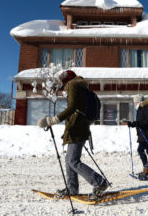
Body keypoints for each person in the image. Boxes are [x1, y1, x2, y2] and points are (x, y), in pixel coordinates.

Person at [37, 70, 108, 199]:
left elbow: (72, 107)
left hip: (77, 128)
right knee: (69, 160)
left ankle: (100, 183)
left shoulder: (73, 86)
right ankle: (72, 188)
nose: (62, 86)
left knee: (73, 160)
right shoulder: (81, 88)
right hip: (77, 127)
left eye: (61, 82)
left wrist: (53, 120)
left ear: (65, 80)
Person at [127, 94, 148, 179]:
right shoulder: (142, 108)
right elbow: (142, 121)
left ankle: (147, 169)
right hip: (145, 134)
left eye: (134, 102)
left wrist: (136, 124)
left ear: (137, 101)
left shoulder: (147, 108)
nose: (134, 104)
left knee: (141, 150)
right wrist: (134, 124)